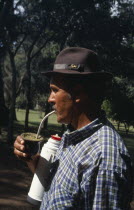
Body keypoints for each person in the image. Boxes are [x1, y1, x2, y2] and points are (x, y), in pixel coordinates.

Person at [14, 47, 133, 209]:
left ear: (77, 94)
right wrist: (34, 163)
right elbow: (64, 190)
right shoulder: (73, 136)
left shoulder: (103, 160)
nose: (50, 99)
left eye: (55, 91)